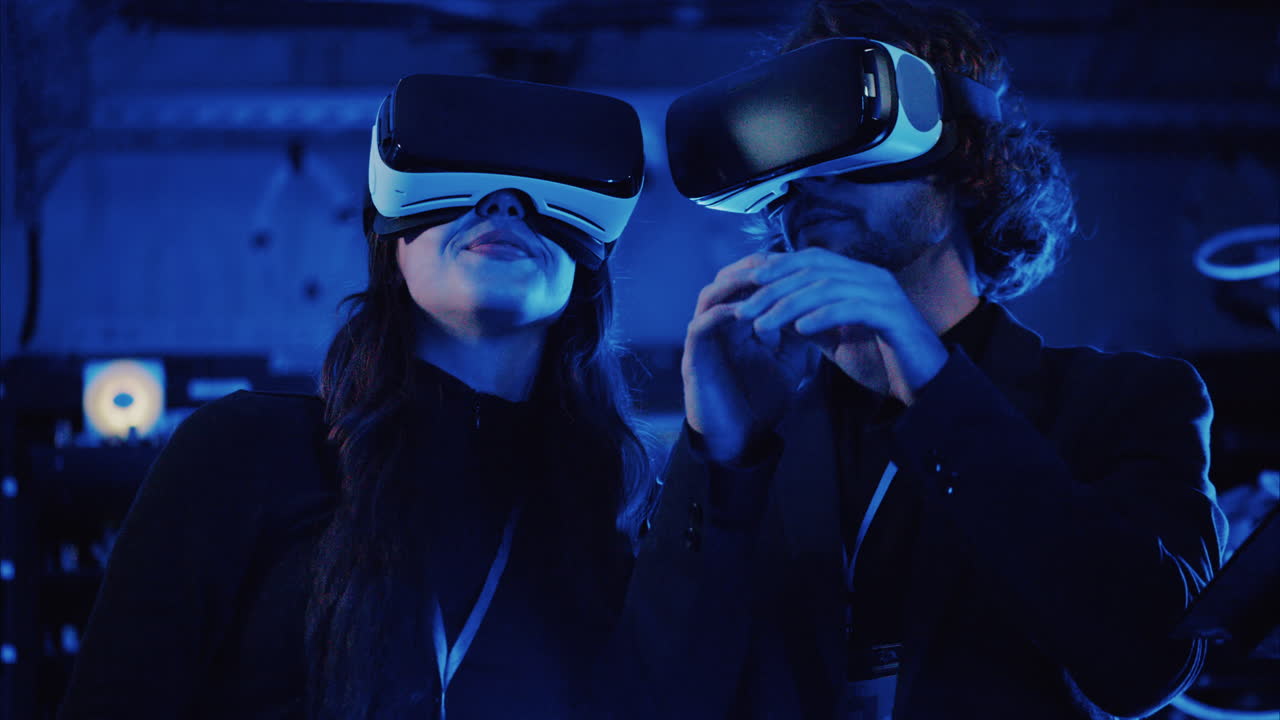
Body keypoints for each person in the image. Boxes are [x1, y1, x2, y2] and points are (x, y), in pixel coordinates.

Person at [615, 1, 1229, 718]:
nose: (809, 181)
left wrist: (936, 387)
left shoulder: (1125, 402)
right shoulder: (758, 446)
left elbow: (1146, 664)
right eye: (791, 156)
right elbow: (650, 698)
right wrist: (720, 458)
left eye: (847, 138)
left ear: (968, 166)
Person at [58, 74, 655, 719]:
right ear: (389, 237)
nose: (505, 206)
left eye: (543, 192)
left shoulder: (610, 515)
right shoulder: (243, 454)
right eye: (463, 180)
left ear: (587, 257)